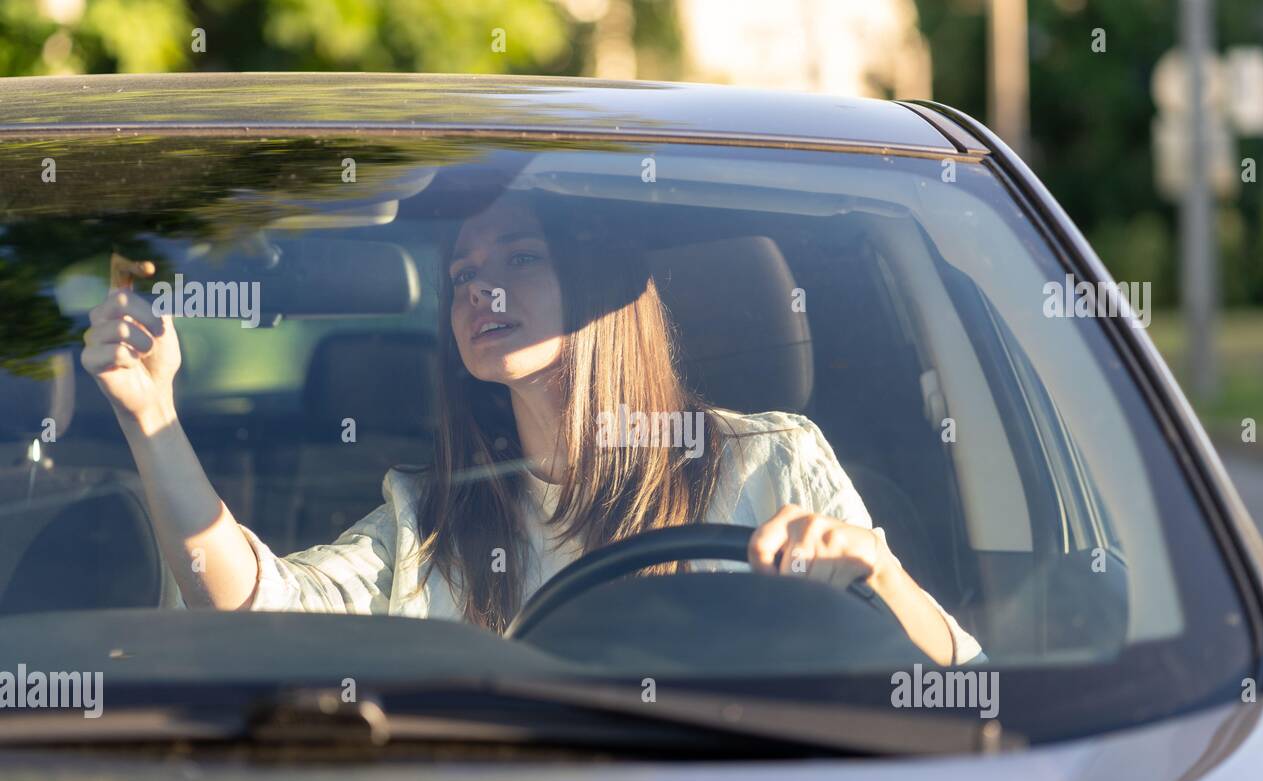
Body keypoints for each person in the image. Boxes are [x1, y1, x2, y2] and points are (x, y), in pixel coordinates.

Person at [81, 191, 983, 666]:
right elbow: (256, 607)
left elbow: (958, 676)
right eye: (463, 274)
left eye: (518, 257)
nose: (480, 288)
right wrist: (151, 413)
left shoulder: (766, 460)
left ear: (597, 284)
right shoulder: (427, 518)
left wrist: (879, 575)